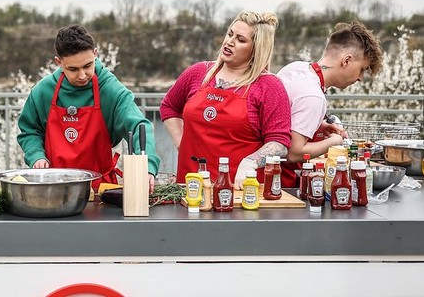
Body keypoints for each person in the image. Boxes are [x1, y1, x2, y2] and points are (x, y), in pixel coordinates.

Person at [17, 25, 161, 190]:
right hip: (53, 187)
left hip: (101, 189)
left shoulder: (111, 89)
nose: (82, 75)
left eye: (87, 66)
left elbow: (139, 126)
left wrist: (147, 166)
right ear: (59, 62)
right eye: (73, 69)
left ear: (95, 54)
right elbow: (29, 131)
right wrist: (36, 156)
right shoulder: (42, 91)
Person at [159, 11, 291, 188]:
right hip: (190, 187)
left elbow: (279, 142)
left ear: (256, 49)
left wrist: (251, 162)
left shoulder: (269, 86)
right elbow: (169, 107)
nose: (229, 42)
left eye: (241, 40)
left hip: (239, 191)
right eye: (230, 34)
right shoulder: (198, 72)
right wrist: (181, 142)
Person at [277, 21, 383, 183]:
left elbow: (283, 117)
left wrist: (319, 125)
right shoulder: (313, 96)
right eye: (362, 69)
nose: (360, 78)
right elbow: (293, 152)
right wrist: (334, 142)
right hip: (282, 183)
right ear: (346, 60)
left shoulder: (296, 68)